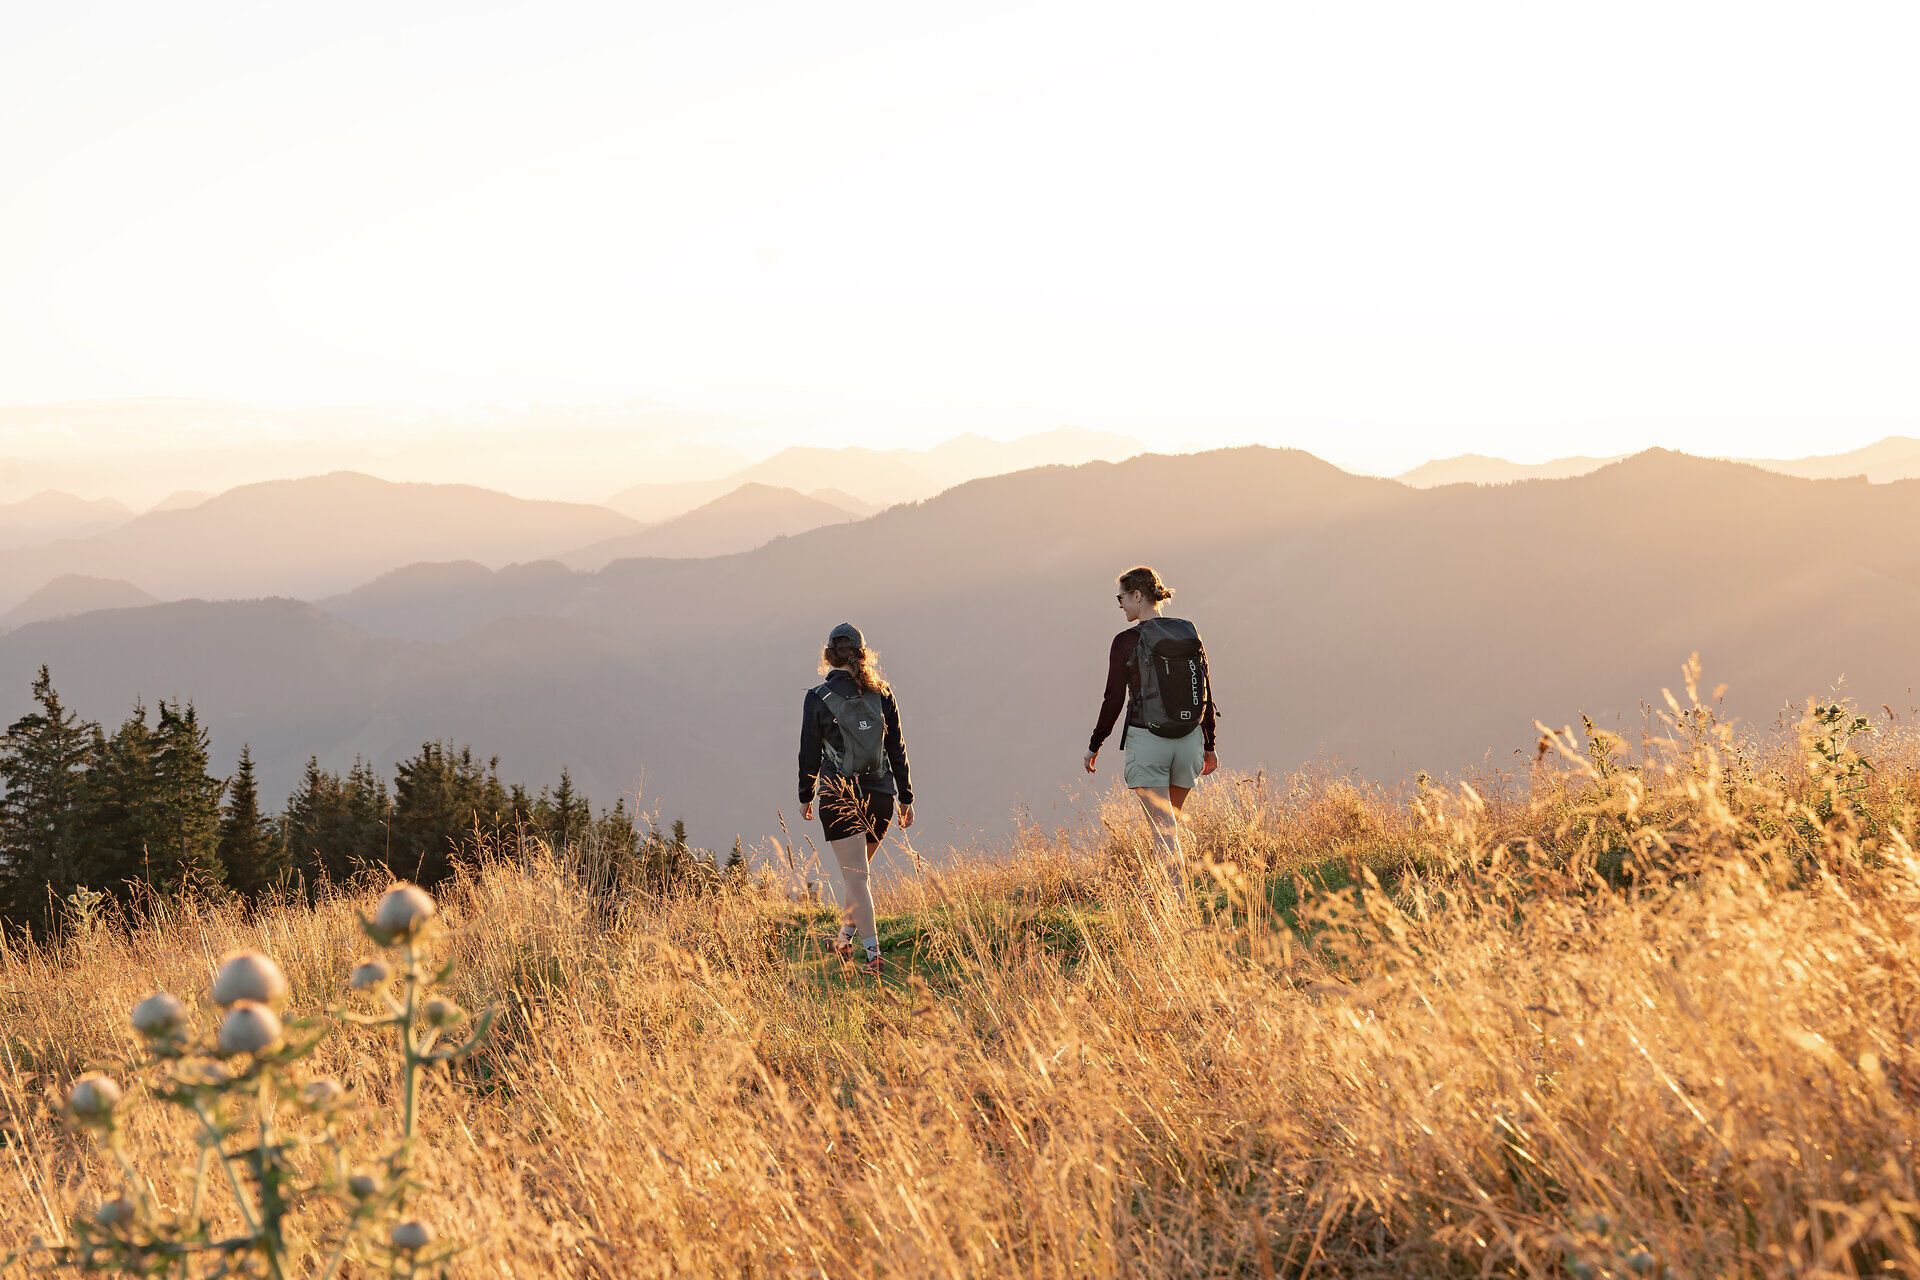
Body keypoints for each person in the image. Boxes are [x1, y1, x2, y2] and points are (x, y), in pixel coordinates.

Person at [1083, 566, 1217, 899]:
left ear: (1138, 596)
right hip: (1189, 742)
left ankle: (1178, 906)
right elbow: (1205, 689)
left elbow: (1113, 698)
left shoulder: (1126, 641)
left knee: (1164, 831)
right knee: (1168, 826)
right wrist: (1209, 744)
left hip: (1148, 741)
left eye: (1122, 598)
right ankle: (1151, 892)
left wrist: (1095, 744)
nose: (1121, 605)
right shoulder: (1187, 632)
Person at [799, 622, 914, 974]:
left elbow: (808, 751)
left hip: (839, 795)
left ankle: (873, 954)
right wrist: (905, 796)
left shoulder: (817, 698)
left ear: (830, 656)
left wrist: (805, 794)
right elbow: (897, 747)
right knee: (858, 876)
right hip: (880, 796)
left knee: (856, 878)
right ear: (863, 655)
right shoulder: (883, 693)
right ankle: (843, 940)